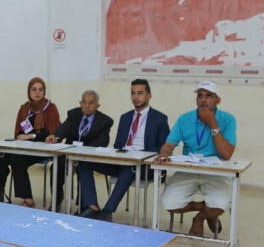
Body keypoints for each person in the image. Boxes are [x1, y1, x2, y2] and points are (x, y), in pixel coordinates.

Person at [76, 79, 169, 221]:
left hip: (145, 165)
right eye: (133, 93)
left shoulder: (160, 118)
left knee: (129, 168)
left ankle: (107, 211)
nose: (136, 97)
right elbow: (118, 144)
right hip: (122, 160)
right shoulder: (125, 118)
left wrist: (138, 154)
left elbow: (162, 147)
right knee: (84, 163)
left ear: (149, 96)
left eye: (140, 93)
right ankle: (92, 206)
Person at [157, 81, 236, 236]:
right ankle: (205, 210)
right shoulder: (184, 118)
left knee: (219, 205)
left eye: (209, 96)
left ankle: (200, 218)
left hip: (216, 172)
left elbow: (227, 154)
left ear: (217, 100)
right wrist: (164, 153)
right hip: (189, 170)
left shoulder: (228, 119)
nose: (203, 100)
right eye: (200, 96)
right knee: (169, 203)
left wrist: (212, 123)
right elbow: (168, 145)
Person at [0, 77, 60, 208]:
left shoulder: (51, 108)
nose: (37, 93)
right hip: (25, 147)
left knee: (16, 160)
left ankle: (28, 200)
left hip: (44, 149)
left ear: (44, 91)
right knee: (2, 156)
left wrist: (32, 135)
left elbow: (53, 134)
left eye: (41, 90)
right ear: (29, 91)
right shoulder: (25, 108)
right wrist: (20, 136)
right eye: (34, 89)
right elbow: (18, 131)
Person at [46, 89, 113, 211]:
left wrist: (82, 150)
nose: (87, 106)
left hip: (88, 156)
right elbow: (64, 129)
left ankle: (83, 205)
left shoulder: (104, 121)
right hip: (69, 154)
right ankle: (56, 201)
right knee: (56, 166)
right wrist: (55, 136)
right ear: (80, 103)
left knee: (83, 166)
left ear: (97, 105)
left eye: (91, 103)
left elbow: (102, 142)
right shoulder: (74, 115)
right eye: (84, 102)